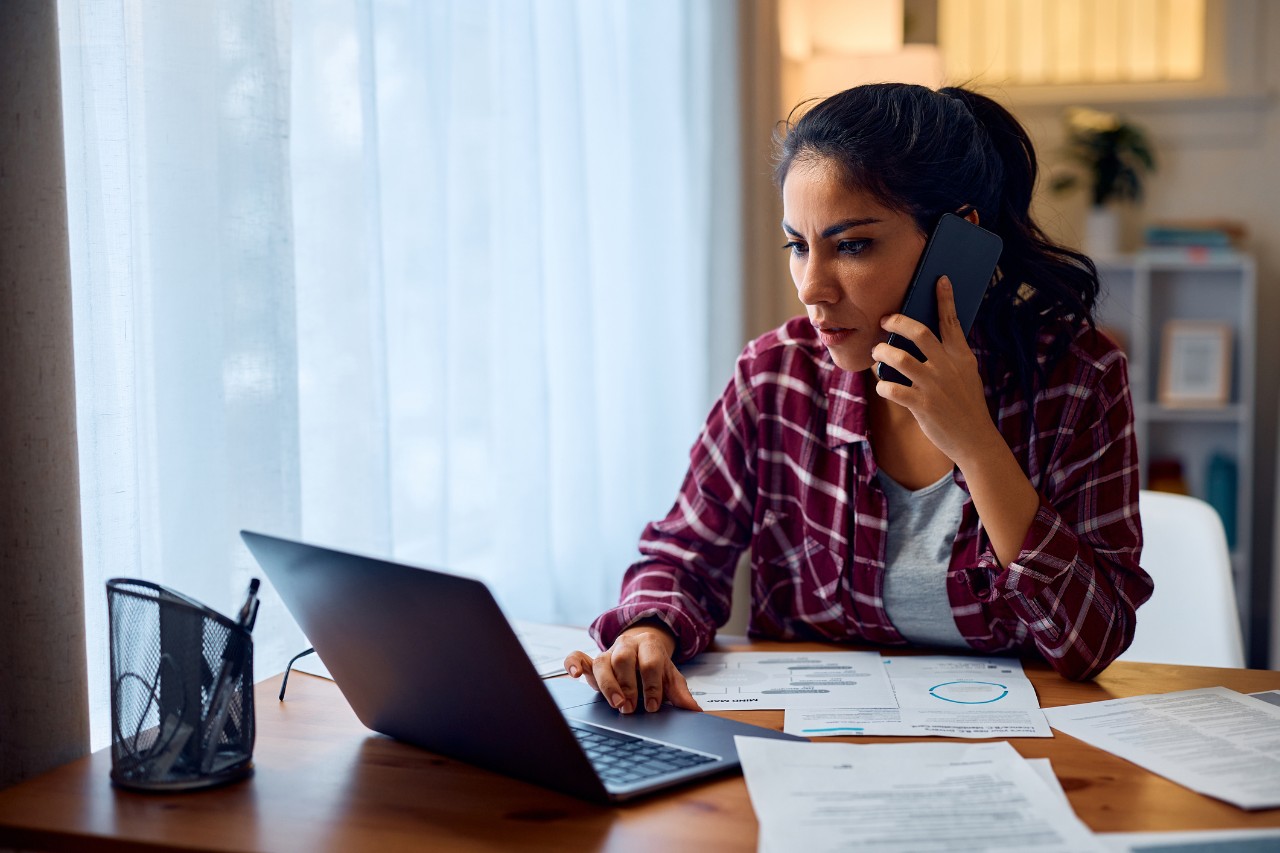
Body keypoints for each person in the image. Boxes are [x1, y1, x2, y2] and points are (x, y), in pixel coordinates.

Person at [564, 83, 1153, 715]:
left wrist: (977, 445)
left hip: (1024, 749)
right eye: (799, 246)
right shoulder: (776, 374)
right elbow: (684, 554)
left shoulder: (1078, 378)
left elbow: (1094, 644)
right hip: (809, 744)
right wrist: (648, 630)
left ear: (957, 241)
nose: (812, 288)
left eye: (851, 245)